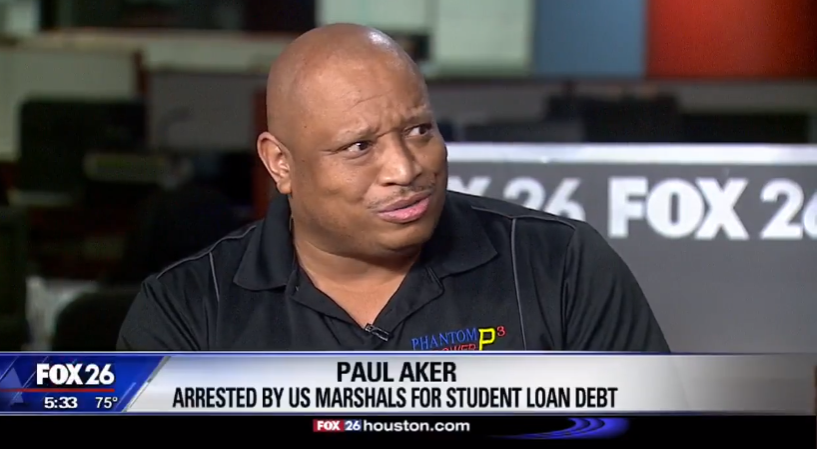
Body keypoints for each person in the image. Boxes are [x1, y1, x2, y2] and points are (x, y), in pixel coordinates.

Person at [117, 23, 669, 352]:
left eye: (419, 130)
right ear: (280, 164)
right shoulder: (187, 311)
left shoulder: (563, 268)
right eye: (360, 146)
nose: (405, 170)